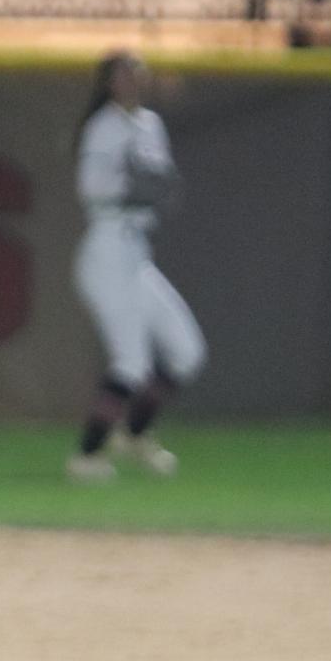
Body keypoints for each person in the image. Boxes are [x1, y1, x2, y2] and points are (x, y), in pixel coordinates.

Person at [65, 51, 207, 482]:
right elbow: (90, 189)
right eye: (122, 75)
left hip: (136, 254)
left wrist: (155, 186)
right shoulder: (102, 126)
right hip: (106, 251)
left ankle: (133, 434)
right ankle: (86, 456)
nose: (130, 81)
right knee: (131, 363)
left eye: (136, 73)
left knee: (186, 353)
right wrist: (133, 185)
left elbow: (161, 184)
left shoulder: (150, 124)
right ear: (108, 83)